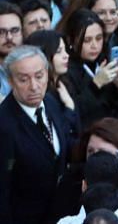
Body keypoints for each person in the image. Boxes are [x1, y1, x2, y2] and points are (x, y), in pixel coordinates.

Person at [0, 45, 78, 224]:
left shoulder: (50, 102)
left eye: (39, 76)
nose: (34, 86)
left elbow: (61, 147)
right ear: (11, 81)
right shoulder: (4, 125)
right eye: (23, 79)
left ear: (48, 74)